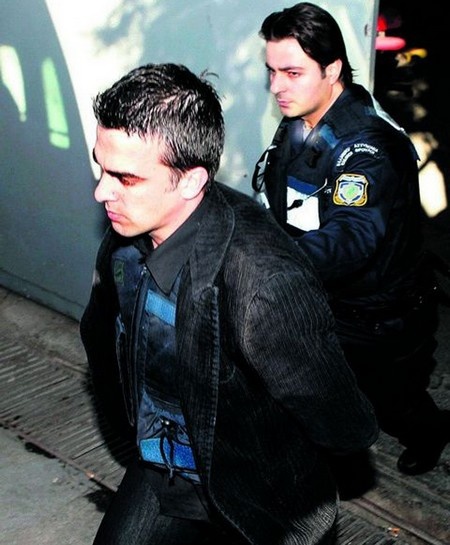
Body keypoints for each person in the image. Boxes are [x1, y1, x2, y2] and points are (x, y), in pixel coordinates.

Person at [80, 62, 378, 545]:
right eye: (101, 166)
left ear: (190, 181)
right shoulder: (127, 233)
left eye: (125, 178)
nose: (101, 191)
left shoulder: (264, 282)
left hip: (262, 493)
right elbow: (99, 333)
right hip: (164, 466)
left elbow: (342, 422)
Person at [252, 2, 450, 477]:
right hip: (322, 299)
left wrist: (266, 261)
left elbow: (353, 236)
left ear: (332, 69)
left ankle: (431, 432)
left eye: (292, 72)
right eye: (272, 71)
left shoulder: (368, 146)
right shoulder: (301, 118)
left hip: (378, 321)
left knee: (394, 405)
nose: (277, 86)